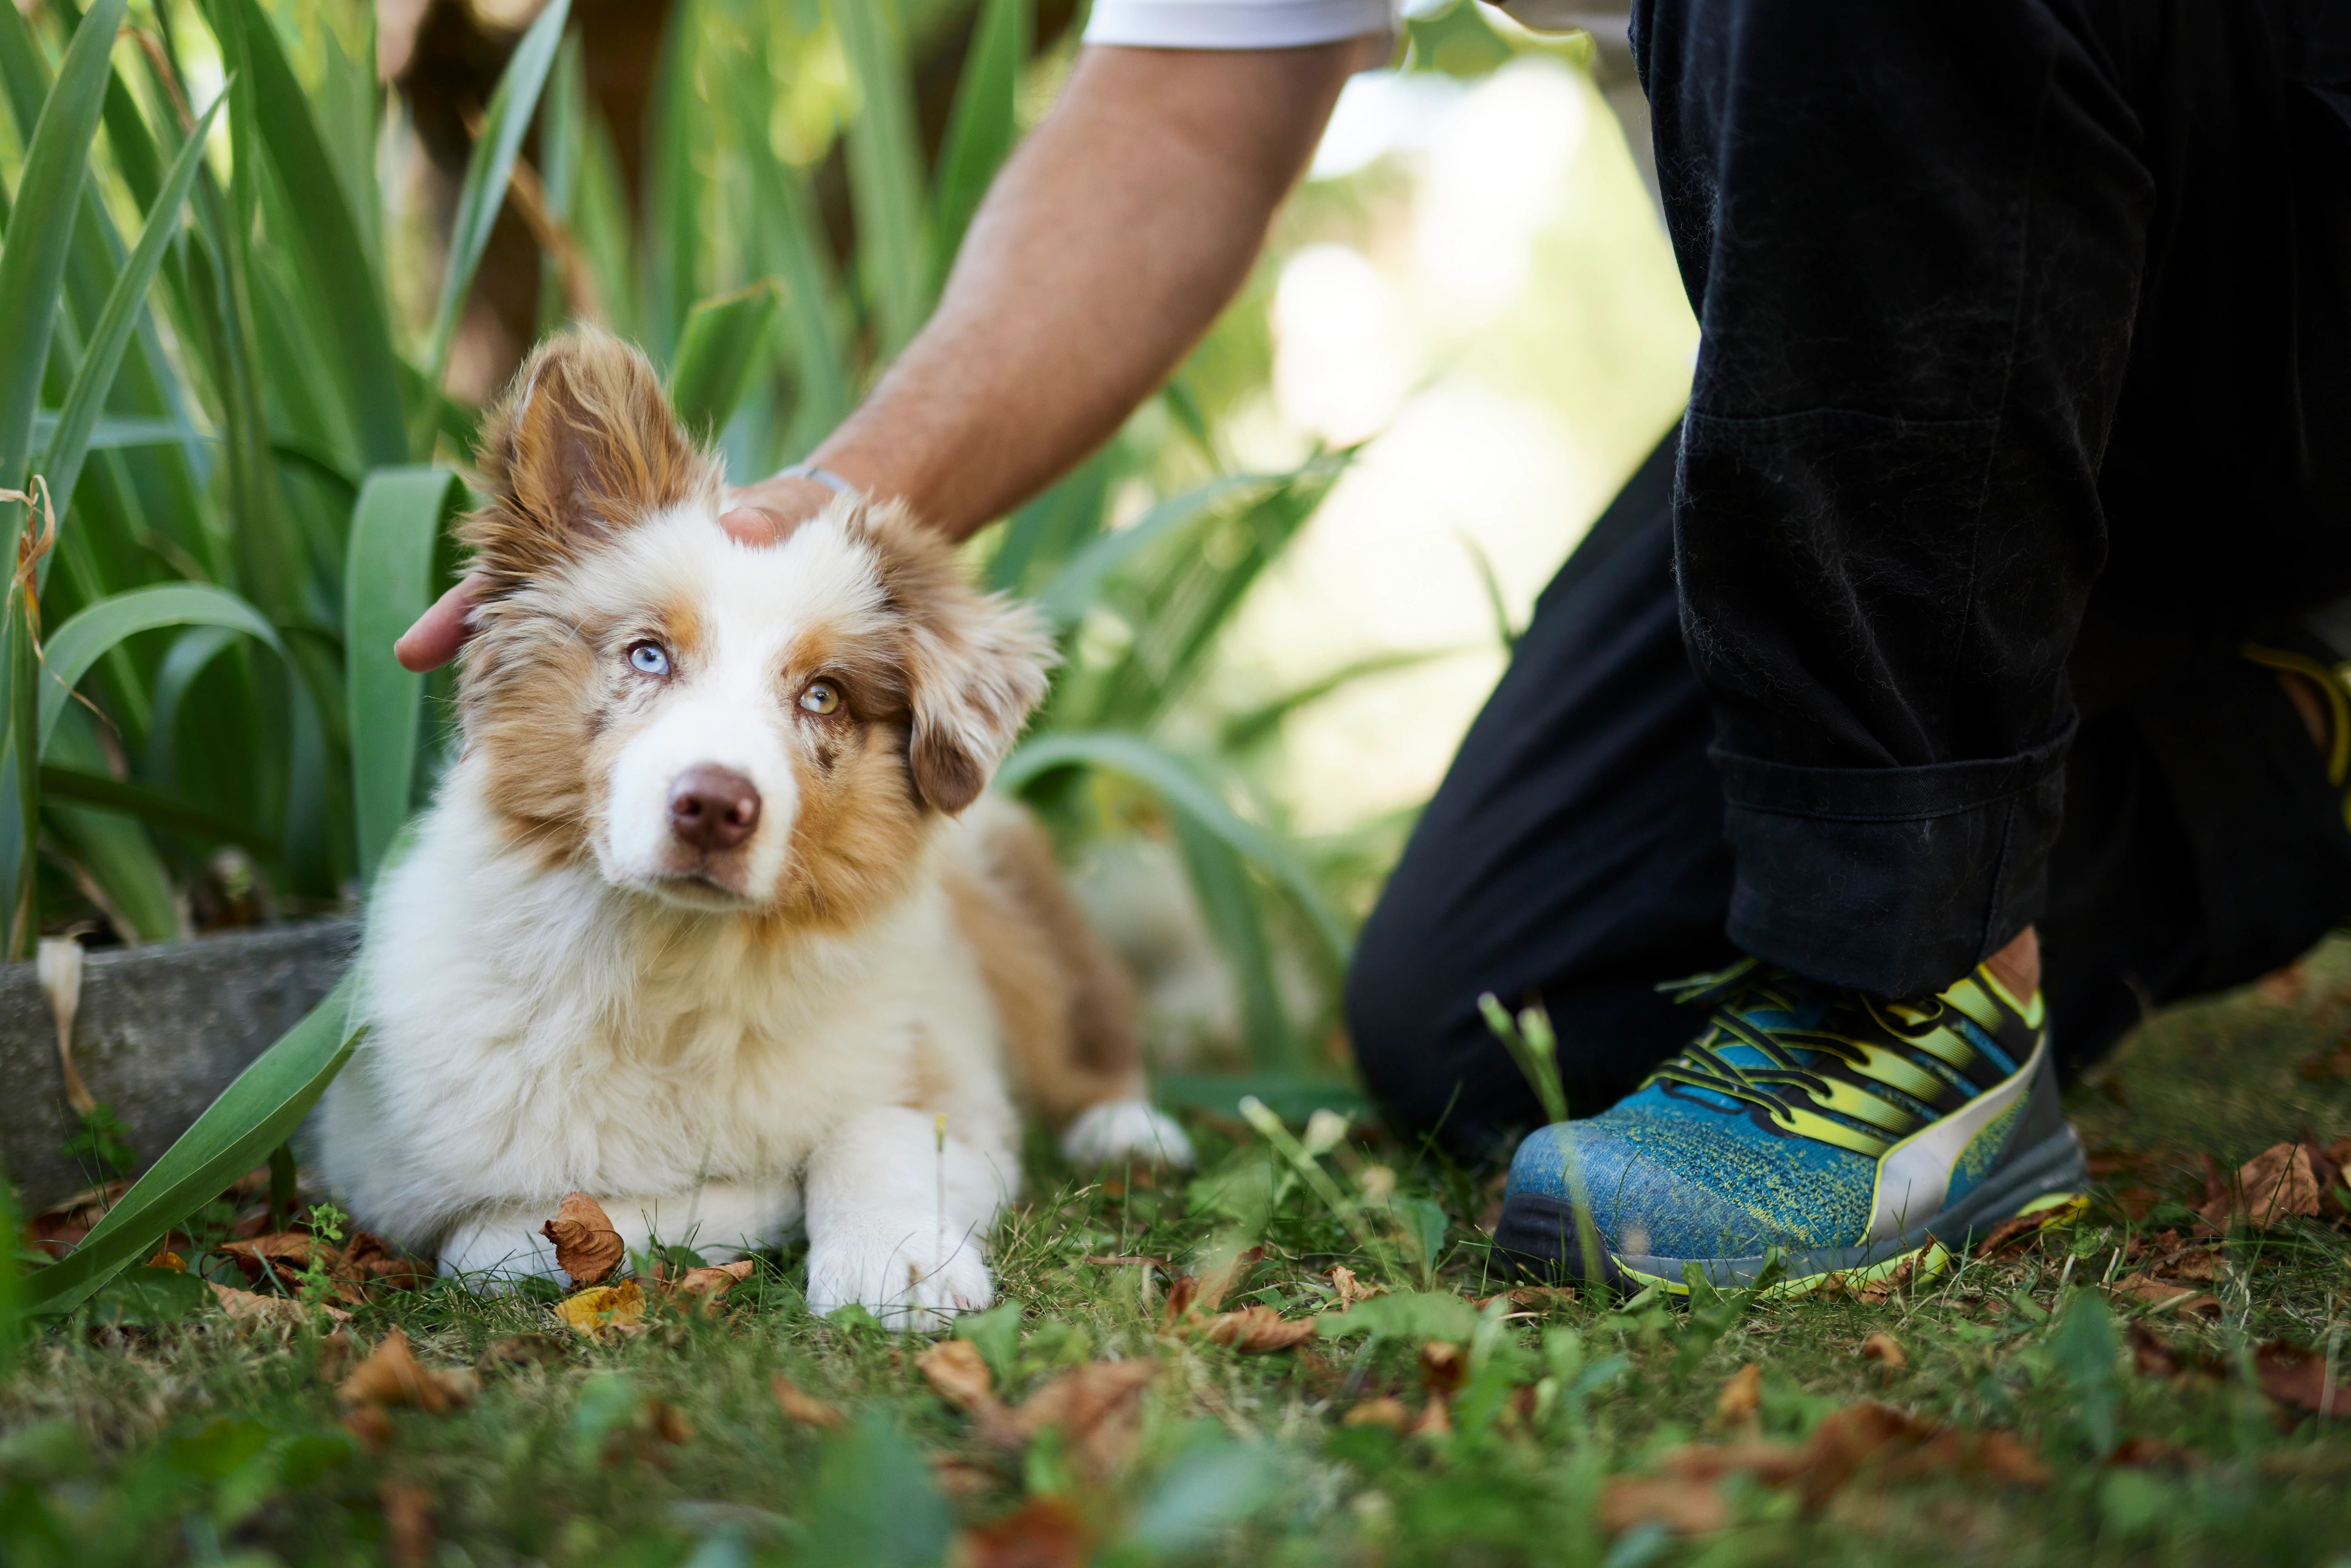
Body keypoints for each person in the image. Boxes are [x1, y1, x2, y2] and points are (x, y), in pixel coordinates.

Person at [399, 0, 2351, 1293]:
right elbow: (1183, 110)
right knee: (1500, 1009)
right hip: (1986, 368)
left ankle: (1913, 992)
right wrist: (809, 526)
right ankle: (2279, 731)